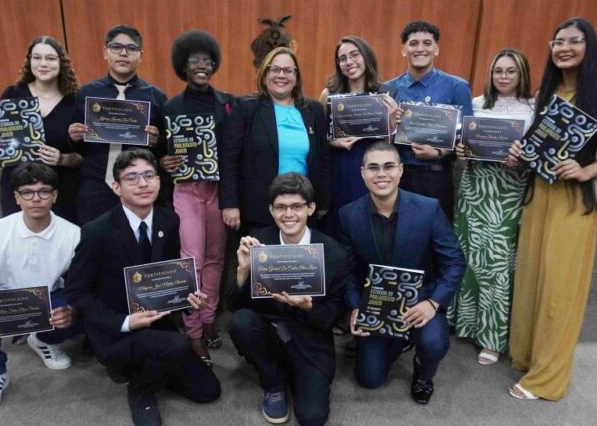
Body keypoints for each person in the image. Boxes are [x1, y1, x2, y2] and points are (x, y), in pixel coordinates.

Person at [505, 17, 597, 401]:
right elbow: (538, 147)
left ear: (588, 46)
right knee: (531, 281)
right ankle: (528, 358)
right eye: (557, 42)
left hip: (574, 201)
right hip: (539, 196)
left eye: (573, 41)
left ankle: (547, 379)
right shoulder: (547, 91)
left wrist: (586, 169)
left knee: (560, 290)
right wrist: (518, 156)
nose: (564, 48)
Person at [64, 149, 219, 426]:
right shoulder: (96, 231)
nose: (143, 183)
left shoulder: (169, 220)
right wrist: (123, 322)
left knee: (208, 391)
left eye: (149, 175)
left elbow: (168, 276)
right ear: (116, 186)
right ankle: (140, 389)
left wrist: (188, 298)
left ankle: (152, 366)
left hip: (157, 322)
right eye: (132, 177)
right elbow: (76, 292)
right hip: (117, 330)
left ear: (159, 180)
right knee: (176, 343)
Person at [339, 141, 465, 405]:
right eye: (373, 168)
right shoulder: (348, 215)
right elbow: (348, 272)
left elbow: (454, 261)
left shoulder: (428, 208)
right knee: (369, 380)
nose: (381, 174)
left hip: (421, 299)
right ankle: (399, 340)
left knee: (434, 343)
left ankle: (424, 371)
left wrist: (433, 303)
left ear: (400, 170)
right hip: (376, 303)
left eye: (388, 167)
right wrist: (354, 308)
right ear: (362, 173)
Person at [0, 162, 81, 411]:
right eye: (27, 192)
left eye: (44, 191)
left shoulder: (73, 233)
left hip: (48, 296)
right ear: (16, 197)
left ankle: (43, 339)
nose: (36, 199)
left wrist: (72, 308)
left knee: (82, 313)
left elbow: (82, 285)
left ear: (54, 196)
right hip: (3, 296)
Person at [228, 173, 349, 426]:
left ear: (311, 208)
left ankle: (293, 373)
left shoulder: (333, 252)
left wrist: (309, 306)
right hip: (269, 333)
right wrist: (242, 271)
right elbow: (234, 307)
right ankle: (273, 383)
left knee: (312, 417)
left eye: (297, 206)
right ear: (271, 210)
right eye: (281, 207)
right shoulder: (258, 242)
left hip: (310, 339)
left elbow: (333, 315)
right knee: (241, 322)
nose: (289, 214)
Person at [447, 48, 535, 365]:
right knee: (468, 257)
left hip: (506, 192)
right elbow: (464, 145)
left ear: (522, 74)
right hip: (473, 189)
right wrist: (460, 149)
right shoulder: (478, 105)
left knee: (497, 266)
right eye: (498, 70)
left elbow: (538, 158)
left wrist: (522, 160)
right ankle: (465, 323)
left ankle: (493, 337)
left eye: (511, 71)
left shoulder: (534, 109)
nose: (503, 76)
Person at [159, 30, 235, 365]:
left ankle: (208, 321)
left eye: (206, 60)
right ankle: (193, 332)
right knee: (191, 259)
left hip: (218, 190)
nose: (201, 65)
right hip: (187, 190)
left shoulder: (228, 103)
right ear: (184, 67)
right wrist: (164, 161)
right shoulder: (170, 106)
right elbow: (163, 153)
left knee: (216, 259)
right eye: (194, 61)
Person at [219, 46, 330, 234]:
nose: (281, 75)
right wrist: (230, 204)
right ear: (264, 74)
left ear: (296, 77)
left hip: (302, 208)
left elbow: (324, 159)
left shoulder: (314, 110)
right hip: (256, 209)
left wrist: (323, 202)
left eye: (288, 70)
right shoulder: (246, 108)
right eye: (275, 69)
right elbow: (229, 158)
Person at [68, 24, 168, 225]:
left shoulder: (156, 97)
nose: (124, 54)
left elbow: (165, 152)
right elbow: (79, 150)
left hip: (138, 187)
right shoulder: (86, 94)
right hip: (95, 184)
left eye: (131, 49)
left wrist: (157, 141)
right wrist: (74, 137)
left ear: (141, 55)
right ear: (105, 52)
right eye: (116, 47)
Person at [0, 36, 83, 223]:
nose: (43, 63)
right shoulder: (13, 94)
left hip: (61, 190)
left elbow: (83, 157)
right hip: (20, 189)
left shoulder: (75, 101)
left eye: (50, 58)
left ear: (62, 63)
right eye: (37, 58)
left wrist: (62, 159)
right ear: (29, 62)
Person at [386, 20, 474, 221]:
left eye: (427, 43)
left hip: (438, 177)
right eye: (413, 43)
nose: (420, 49)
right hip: (398, 178)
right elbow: (380, 139)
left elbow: (468, 140)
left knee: (437, 237)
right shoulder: (389, 89)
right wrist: (391, 125)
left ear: (436, 49)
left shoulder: (457, 87)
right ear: (404, 50)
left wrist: (439, 152)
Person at [318, 35, 398, 234]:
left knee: (369, 228)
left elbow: (393, 144)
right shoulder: (328, 95)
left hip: (374, 170)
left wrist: (393, 120)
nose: (349, 62)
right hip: (341, 168)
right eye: (343, 58)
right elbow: (317, 139)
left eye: (355, 55)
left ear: (366, 57)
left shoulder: (387, 94)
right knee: (338, 226)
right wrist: (333, 142)